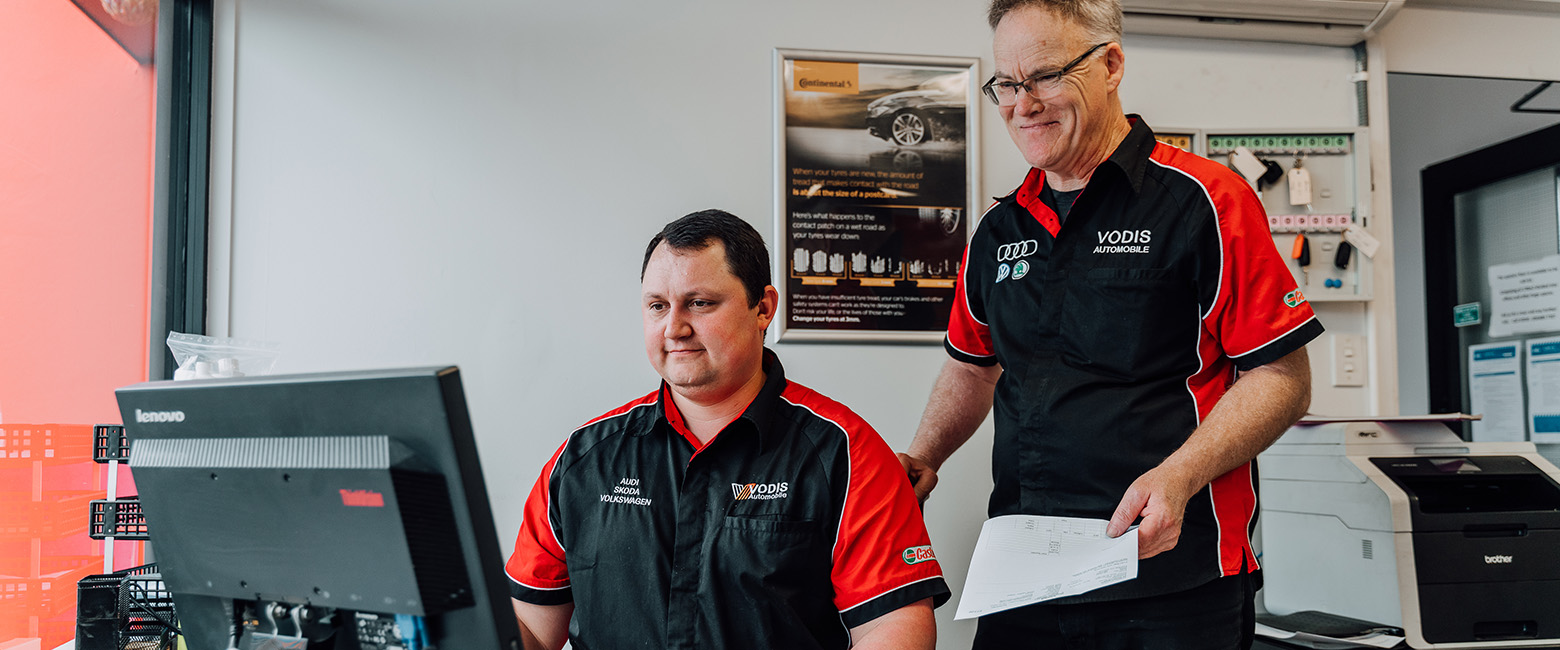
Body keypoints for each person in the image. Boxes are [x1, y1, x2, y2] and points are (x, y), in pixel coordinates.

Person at [897, 1, 1322, 648]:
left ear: (1111, 64)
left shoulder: (1205, 200)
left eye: (1044, 76)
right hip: (1027, 575)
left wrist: (1177, 477)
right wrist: (924, 458)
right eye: (1007, 85)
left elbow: (1282, 377)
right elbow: (972, 364)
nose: (1023, 103)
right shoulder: (999, 230)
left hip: (1172, 581)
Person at [506, 209, 950, 650]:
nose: (675, 328)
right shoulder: (585, 457)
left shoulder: (844, 452)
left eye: (699, 303)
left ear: (763, 309)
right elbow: (530, 625)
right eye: (658, 306)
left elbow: (893, 629)